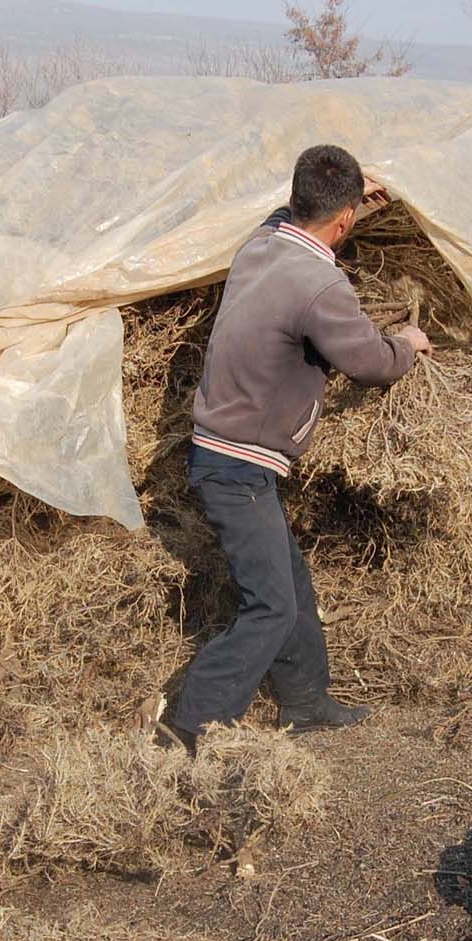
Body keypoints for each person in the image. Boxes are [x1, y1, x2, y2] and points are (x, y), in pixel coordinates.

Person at [168, 145, 431, 750]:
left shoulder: (260, 245)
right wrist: (408, 344)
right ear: (342, 223)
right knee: (270, 607)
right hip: (237, 464)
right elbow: (368, 362)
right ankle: (189, 727)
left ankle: (306, 703)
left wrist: (349, 197)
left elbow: (284, 217)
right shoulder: (321, 284)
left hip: (223, 453)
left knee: (290, 583)